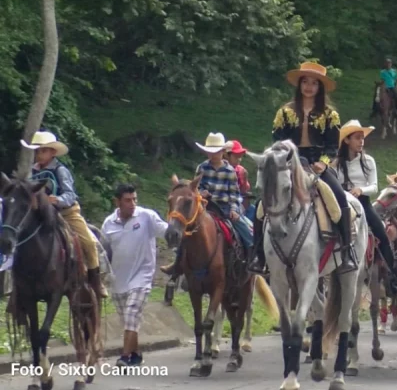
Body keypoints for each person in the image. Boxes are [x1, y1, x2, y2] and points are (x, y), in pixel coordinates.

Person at [253, 62, 354, 274]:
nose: (309, 87)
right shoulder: (285, 112)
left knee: (340, 199)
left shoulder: (330, 114)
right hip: (289, 163)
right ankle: (258, 255)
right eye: (305, 82)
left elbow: (333, 145)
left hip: (318, 165)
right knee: (262, 205)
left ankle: (347, 251)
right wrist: (285, 159)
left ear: (320, 87)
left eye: (314, 83)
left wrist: (323, 162)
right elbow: (277, 142)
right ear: (299, 85)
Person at [20, 131, 107, 298]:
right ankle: (18, 285)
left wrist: (57, 200)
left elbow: (70, 194)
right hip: (40, 216)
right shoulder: (31, 173)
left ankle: (95, 279)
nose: (39, 154)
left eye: (43, 151)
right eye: (37, 151)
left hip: (67, 213)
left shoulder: (60, 171)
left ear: (53, 152)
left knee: (88, 242)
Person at [161, 132, 254, 278]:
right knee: (187, 230)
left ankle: (252, 256)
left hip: (224, 208)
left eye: (216, 152)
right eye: (210, 152)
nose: (213, 155)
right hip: (206, 206)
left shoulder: (230, 171)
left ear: (222, 152)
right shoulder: (202, 168)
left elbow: (235, 194)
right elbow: (194, 189)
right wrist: (201, 194)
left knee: (244, 227)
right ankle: (177, 262)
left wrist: (234, 209)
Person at [101, 184, 168, 367]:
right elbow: (103, 252)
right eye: (128, 200)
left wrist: (181, 224)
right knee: (128, 320)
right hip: (118, 280)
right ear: (118, 202)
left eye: (134, 199)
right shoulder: (108, 223)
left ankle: (124, 357)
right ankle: (136, 354)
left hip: (142, 276)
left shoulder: (146, 216)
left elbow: (166, 230)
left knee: (131, 314)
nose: (132, 204)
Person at [333, 120, 397, 294]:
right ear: (347, 141)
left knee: (382, 235)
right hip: (343, 203)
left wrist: (360, 189)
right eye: (357, 138)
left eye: (362, 138)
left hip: (363, 203)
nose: (361, 141)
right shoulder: (336, 163)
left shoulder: (368, 161)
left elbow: (374, 186)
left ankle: (394, 279)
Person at [225, 140, 252, 212]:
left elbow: (245, 193)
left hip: (238, 204)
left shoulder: (241, 171)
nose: (239, 160)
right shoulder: (220, 169)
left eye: (240, 157)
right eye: (236, 156)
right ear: (226, 155)